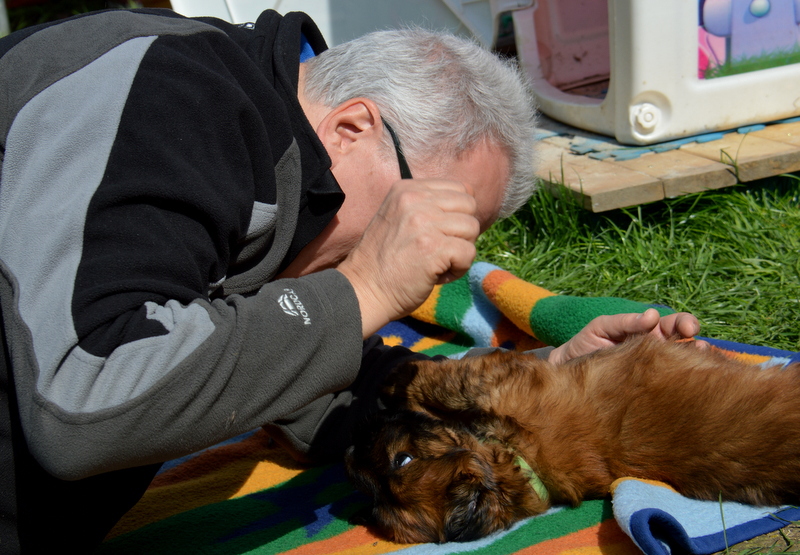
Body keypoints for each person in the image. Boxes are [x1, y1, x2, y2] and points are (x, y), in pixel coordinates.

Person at [0, 7, 700, 553]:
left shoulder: (282, 182)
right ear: (353, 127)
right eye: (426, 211)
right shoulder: (169, 100)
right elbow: (82, 404)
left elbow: (314, 389)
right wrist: (364, 288)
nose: (442, 262)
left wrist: (533, 380)